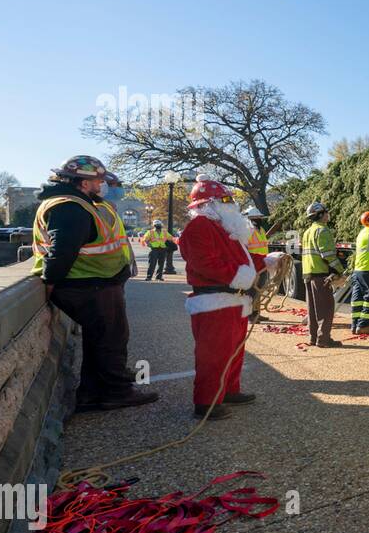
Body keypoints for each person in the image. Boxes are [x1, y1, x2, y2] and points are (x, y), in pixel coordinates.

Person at [31, 155, 158, 413]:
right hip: (87, 285)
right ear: (85, 182)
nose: (104, 184)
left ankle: (90, 394)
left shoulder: (79, 203)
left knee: (100, 337)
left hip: (93, 283)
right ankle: (116, 392)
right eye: (100, 180)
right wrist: (51, 282)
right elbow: (62, 250)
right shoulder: (70, 207)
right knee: (111, 338)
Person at [177, 177, 265, 420]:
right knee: (213, 354)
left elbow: (241, 260)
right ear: (209, 204)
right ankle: (207, 402)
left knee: (234, 350)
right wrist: (240, 275)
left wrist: (265, 262)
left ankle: (228, 390)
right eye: (226, 200)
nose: (232, 204)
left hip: (233, 298)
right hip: (215, 300)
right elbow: (205, 263)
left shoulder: (224, 227)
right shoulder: (200, 227)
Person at [300, 201, 345, 347]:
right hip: (320, 274)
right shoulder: (322, 230)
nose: (328, 214)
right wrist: (339, 270)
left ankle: (313, 338)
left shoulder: (307, 232)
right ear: (320, 214)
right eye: (326, 212)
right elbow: (328, 255)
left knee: (312, 309)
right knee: (326, 308)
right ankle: (324, 340)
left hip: (308, 273)